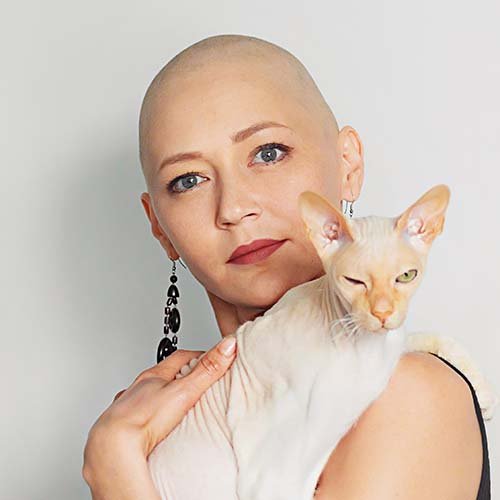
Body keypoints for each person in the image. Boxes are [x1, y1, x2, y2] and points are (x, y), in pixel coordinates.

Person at [82, 34, 489, 499]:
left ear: (348, 164)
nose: (234, 207)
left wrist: (117, 475)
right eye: (188, 180)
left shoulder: (407, 394)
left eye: (268, 153)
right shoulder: (165, 419)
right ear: (159, 226)